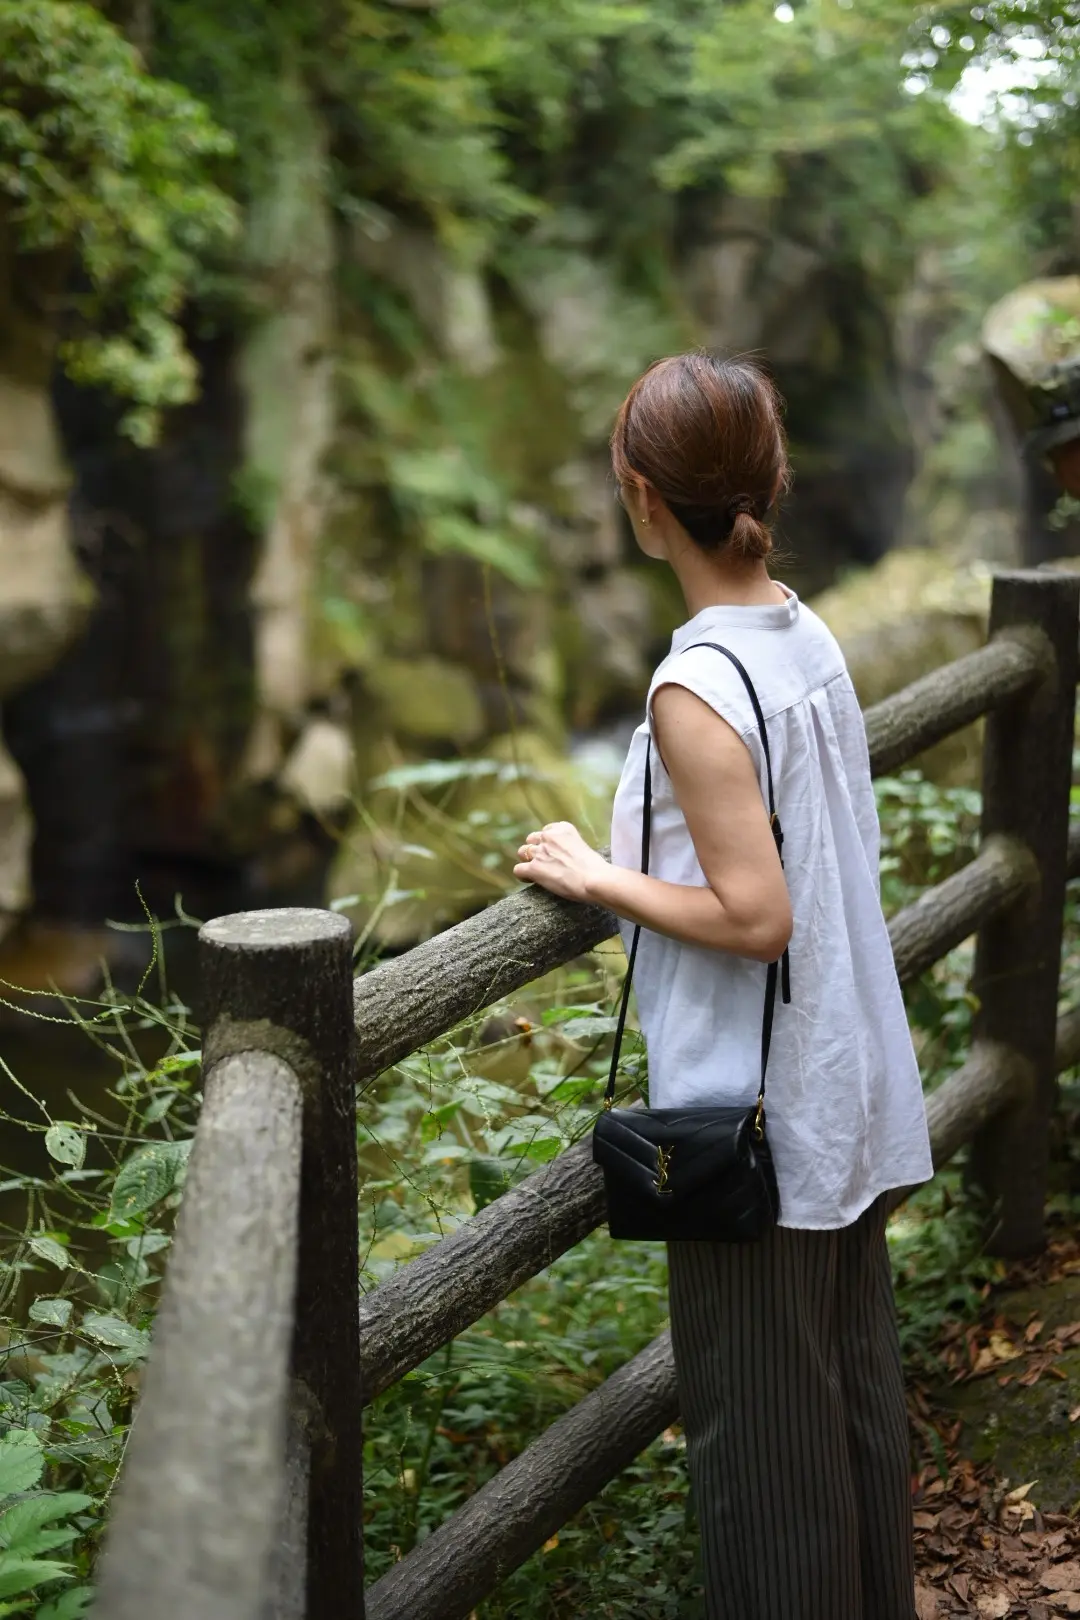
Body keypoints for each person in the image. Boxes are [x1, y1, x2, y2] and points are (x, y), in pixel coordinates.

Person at [512, 352, 933, 1620]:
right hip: (836, 1082)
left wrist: (599, 876)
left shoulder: (699, 689)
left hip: (757, 1118)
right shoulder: (800, 631)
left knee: (762, 1455)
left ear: (641, 497)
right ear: (773, 482)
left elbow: (756, 915)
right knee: (850, 1409)